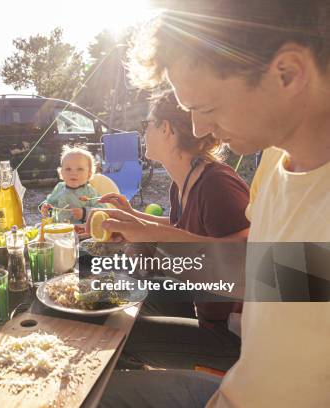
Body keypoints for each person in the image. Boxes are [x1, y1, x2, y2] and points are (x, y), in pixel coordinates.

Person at [100, 1, 330, 407]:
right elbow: (259, 276)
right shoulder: (278, 160)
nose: (199, 130)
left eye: (204, 109)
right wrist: (144, 230)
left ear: (288, 73)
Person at [97, 89, 250, 372]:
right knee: (113, 296)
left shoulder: (218, 185)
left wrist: (146, 232)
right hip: (199, 304)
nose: (143, 134)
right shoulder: (184, 181)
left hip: (236, 338)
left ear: (166, 129)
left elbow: (245, 264)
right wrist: (134, 217)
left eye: (148, 126)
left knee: (115, 334)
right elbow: (188, 230)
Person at [40, 146, 107, 224]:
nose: (73, 173)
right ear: (61, 173)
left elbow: (103, 210)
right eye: (68, 169)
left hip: (83, 231)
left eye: (80, 169)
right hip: (60, 229)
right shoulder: (59, 188)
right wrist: (45, 207)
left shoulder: (90, 191)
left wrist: (84, 213)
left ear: (89, 174)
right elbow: (50, 202)